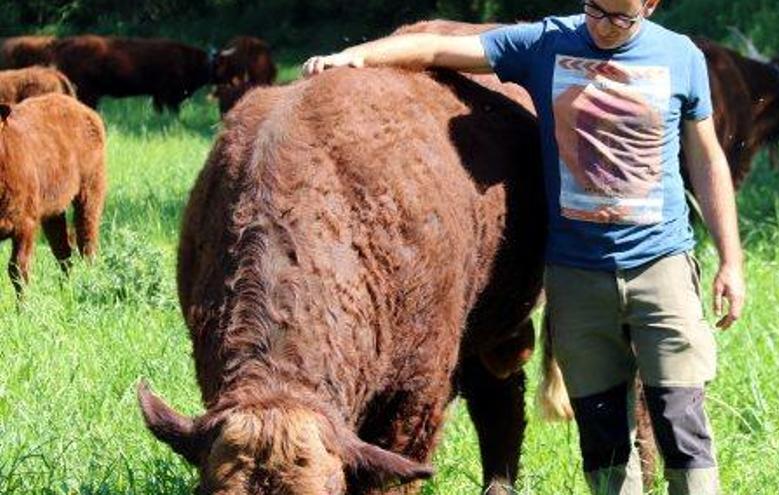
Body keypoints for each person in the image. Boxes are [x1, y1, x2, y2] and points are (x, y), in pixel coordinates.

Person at [303, 1, 745, 494]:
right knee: (601, 433)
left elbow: (707, 160)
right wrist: (357, 57)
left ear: (649, 5)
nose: (604, 26)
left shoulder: (679, 56)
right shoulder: (547, 44)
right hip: (578, 277)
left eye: (621, 18)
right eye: (596, 10)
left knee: (681, 420)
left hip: (660, 266)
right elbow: (438, 46)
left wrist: (731, 258)